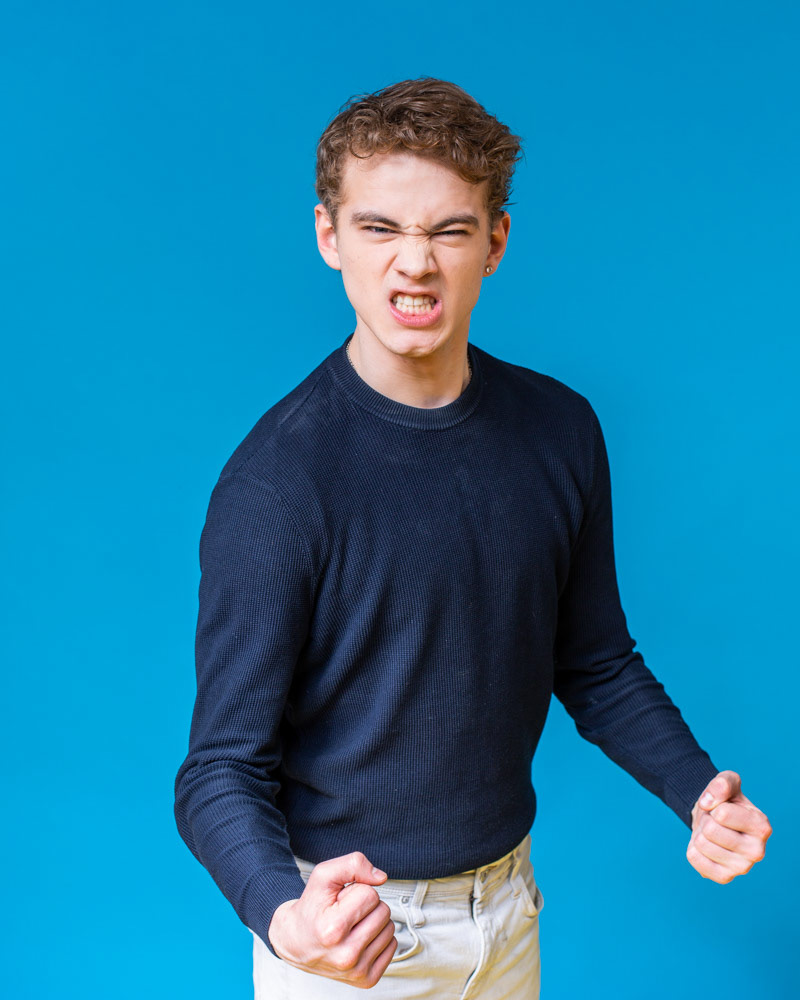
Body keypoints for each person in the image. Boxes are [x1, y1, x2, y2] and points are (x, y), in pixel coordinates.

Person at [173, 78, 772, 999]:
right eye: (379, 228)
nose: (414, 264)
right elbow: (218, 770)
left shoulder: (560, 429)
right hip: (351, 934)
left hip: (508, 911)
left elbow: (595, 661)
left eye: (449, 231)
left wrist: (696, 791)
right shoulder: (278, 484)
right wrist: (286, 919)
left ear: (494, 242)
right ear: (329, 236)